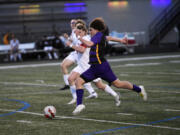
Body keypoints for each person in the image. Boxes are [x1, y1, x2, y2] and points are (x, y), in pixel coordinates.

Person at [72, 17, 147, 115]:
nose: (89, 32)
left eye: (91, 30)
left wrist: (79, 37)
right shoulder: (98, 36)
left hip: (102, 67)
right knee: (78, 81)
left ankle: (139, 89)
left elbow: (89, 44)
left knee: (118, 84)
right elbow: (109, 38)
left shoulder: (98, 35)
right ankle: (79, 105)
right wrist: (121, 40)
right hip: (94, 68)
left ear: (96, 29)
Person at [60, 19, 89, 90]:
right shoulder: (73, 31)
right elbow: (73, 41)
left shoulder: (80, 31)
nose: (72, 24)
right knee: (63, 66)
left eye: (74, 23)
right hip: (76, 52)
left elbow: (80, 43)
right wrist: (67, 38)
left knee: (84, 74)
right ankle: (68, 84)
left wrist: (70, 44)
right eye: (71, 23)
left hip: (80, 53)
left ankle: (92, 91)